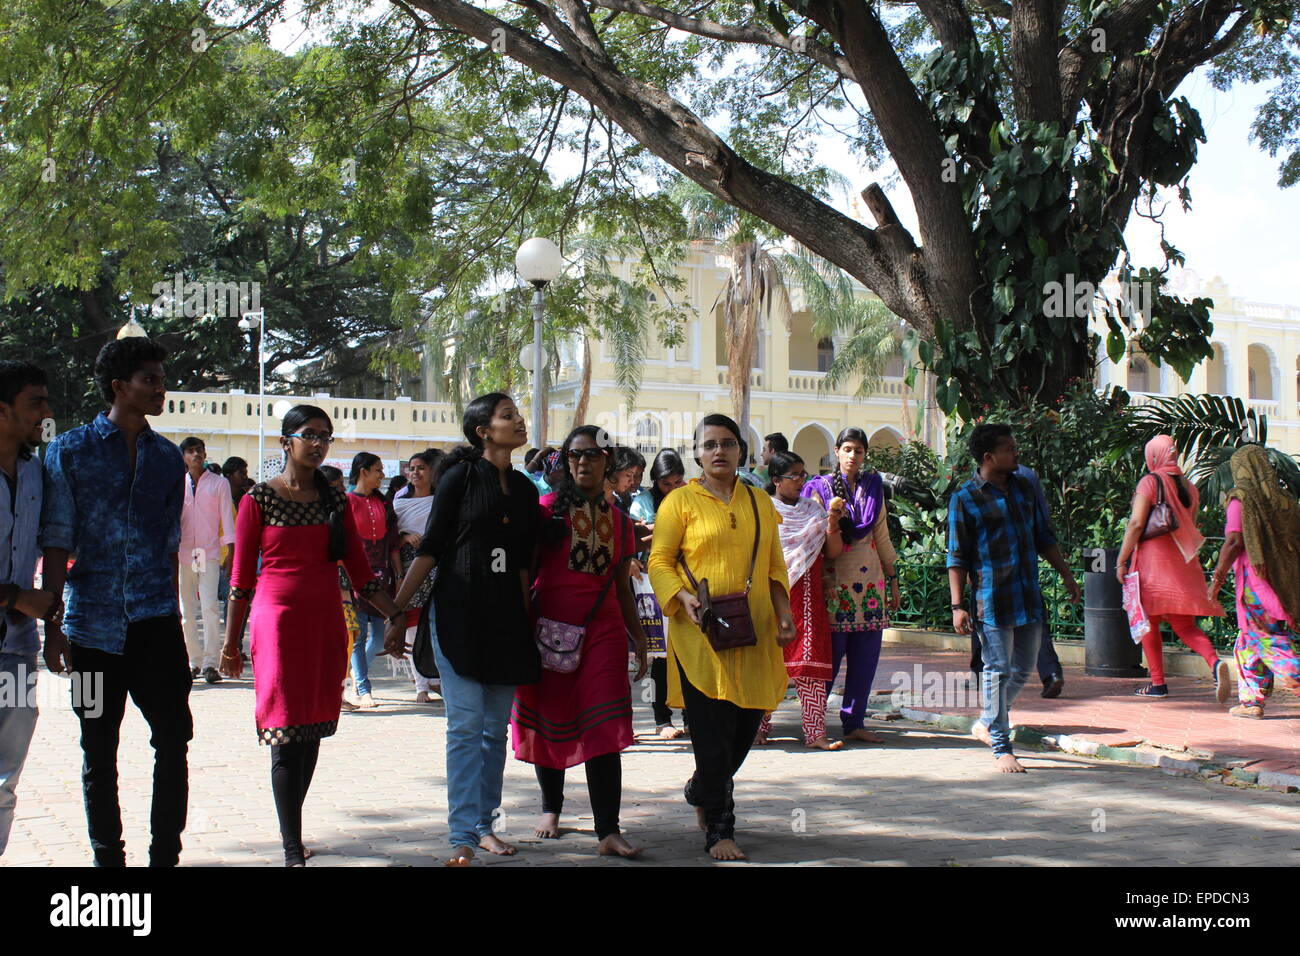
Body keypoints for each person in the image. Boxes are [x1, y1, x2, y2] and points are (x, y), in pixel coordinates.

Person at [220, 407, 401, 866]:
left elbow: (362, 574)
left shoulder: (335, 502)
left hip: (325, 623)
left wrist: (399, 615)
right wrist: (229, 643)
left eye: (325, 436)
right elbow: (241, 578)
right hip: (276, 623)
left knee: (313, 731)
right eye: (309, 435)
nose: (318, 443)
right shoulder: (258, 500)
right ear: (286, 442)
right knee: (285, 732)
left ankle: (293, 832)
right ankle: (290, 851)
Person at [40, 337, 193, 866]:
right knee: (97, 751)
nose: (160, 388)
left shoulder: (169, 459)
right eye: (149, 379)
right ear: (118, 387)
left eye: (160, 379)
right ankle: (109, 860)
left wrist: (176, 622)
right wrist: (53, 625)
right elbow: (57, 539)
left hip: (155, 624)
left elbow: (172, 544)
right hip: (90, 628)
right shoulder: (69, 451)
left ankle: (164, 858)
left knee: (174, 740)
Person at [384, 392, 541, 866]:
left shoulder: (526, 489)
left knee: (495, 731)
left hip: (506, 619)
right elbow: (429, 550)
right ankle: (461, 836)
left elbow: (522, 566)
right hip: (457, 614)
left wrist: (525, 620)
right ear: (483, 432)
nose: (519, 421)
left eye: (518, 415)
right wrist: (397, 612)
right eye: (507, 416)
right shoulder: (458, 479)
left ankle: (484, 826)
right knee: (466, 726)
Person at [647, 413, 795, 861]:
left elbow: (774, 565)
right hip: (700, 633)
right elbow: (659, 561)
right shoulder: (679, 503)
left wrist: (785, 614)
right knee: (711, 732)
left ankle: (701, 787)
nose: (718, 451)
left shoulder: (758, 502)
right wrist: (681, 598)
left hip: (753, 631)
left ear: (740, 451)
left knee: (743, 730)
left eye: (727, 443)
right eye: (709, 443)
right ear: (697, 452)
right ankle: (720, 829)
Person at [513, 425, 649, 858]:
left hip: (604, 632)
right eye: (575, 455)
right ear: (566, 462)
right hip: (548, 629)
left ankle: (607, 829)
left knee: (604, 728)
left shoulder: (622, 522)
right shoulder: (545, 511)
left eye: (592, 455)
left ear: (608, 461)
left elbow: (624, 587)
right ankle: (550, 807)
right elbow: (524, 574)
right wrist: (517, 629)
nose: (584, 462)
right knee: (550, 717)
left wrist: (640, 639)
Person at [948, 424, 1082, 773]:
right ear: (990, 457)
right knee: (996, 670)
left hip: (1027, 594)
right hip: (992, 600)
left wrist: (1067, 574)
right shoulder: (964, 499)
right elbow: (957, 557)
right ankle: (1000, 745)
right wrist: (957, 605)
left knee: (1022, 669)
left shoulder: (1023, 488)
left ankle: (987, 721)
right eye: (1010, 449)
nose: (1017, 454)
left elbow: (1043, 536)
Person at [800, 427, 898, 744]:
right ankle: (814, 723)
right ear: (837, 452)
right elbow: (809, 537)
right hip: (833, 585)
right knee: (829, 658)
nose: (853, 456)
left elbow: (881, 534)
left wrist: (893, 579)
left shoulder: (873, 488)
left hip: (871, 584)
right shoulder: (819, 489)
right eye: (848, 449)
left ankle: (854, 721)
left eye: (859, 450)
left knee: (865, 659)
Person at [0, 361, 60, 857]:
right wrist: (16, 597)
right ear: (2, 412)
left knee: (3, 779)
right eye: (35, 402)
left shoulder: (37, 475)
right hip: (16, 616)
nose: (47, 411)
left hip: (18, 648)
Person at [1115, 435, 1227, 699]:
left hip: (1153, 565)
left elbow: (1136, 525)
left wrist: (1121, 560)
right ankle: (1215, 662)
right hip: (1184, 564)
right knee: (1185, 626)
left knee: (1148, 623)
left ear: (1153, 455)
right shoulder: (1191, 488)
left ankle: (1158, 684)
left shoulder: (1149, 482)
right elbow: (1190, 525)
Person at [760, 450, 845, 750]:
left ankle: (815, 733)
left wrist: (832, 521)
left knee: (810, 668)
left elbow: (833, 551)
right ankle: (758, 729)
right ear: (776, 481)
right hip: (773, 597)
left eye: (802, 474)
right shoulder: (764, 510)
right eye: (793, 475)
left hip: (808, 598)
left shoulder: (814, 510)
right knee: (768, 666)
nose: (800, 480)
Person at [1207, 445, 1300, 718]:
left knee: (1270, 640)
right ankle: (1252, 702)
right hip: (1282, 582)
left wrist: (1217, 579)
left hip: (1256, 585)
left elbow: (1234, 541)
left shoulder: (1242, 499)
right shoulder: (1282, 501)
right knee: (1247, 644)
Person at [968, 463, 1066, 699]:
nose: (1014, 453)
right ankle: (1050, 673)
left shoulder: (993, 482)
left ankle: (982, 676)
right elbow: (1042, 522)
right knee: (1033, 621)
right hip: (1018, 568)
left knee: (986, 621)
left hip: (994, 573)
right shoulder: (1025, 476)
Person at [176, 436, 236, 684]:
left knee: (210, 607)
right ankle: (193, 661)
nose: (196, 455)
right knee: (187, 611)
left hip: (208, 552)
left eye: (199, 450)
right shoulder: (176, 483)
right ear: (183, 456)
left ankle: (211, 663)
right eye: (191, 451)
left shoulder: (219, 483)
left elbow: (227, 519)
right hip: (183, 552)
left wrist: (231, 552)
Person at [642, 449, 689, 739]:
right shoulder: (643, 503)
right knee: (659, 657)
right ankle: (661, 719)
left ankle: (691, 716)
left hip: (686, 586)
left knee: (687, 655)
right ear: (655, 482)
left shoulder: (691, 497)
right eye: (665, 484)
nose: (672, 488)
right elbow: (639, 541)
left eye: (676, 482)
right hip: (652, 588)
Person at [346, 452, 398, 710]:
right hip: (354, 576)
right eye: (378, 470)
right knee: (358, 635)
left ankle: (355, 675)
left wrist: (397, 575)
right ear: (363, 471)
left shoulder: (384, 503)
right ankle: (364, 687)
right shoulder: (346, 501)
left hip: (381, 577)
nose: (382, 475)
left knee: (378, 637)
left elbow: (393, 543)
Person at [391, 449, 443, 703]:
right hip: (409, 567)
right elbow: (389, 538)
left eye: (421, 468)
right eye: (411, 468)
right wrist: (403, 537)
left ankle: (438, 679)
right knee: (412, 625)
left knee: (436, 623)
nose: (415, 473)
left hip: (438, 566)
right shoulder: (399, 504)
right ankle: (421, 684)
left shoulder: (441, 501)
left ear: (432, 472)